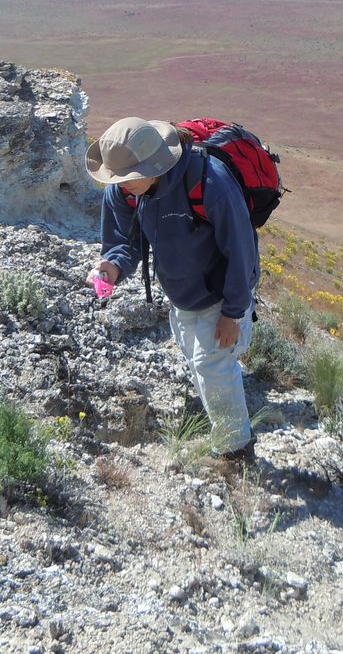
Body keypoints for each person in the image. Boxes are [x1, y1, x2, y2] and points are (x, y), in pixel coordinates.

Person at [86, 116, 259, 462]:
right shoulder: (123, 191)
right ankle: (226, 431)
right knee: (202, 368)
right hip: (181, 297)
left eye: (128, 178)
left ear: (155, 164)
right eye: (116, 178)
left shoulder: (210, 182)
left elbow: (242, 251)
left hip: (220, 293)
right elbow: (124, 242)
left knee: (211, 366)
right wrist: (113, 267)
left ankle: (235, 452)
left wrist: (233, 312)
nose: (120, 185)